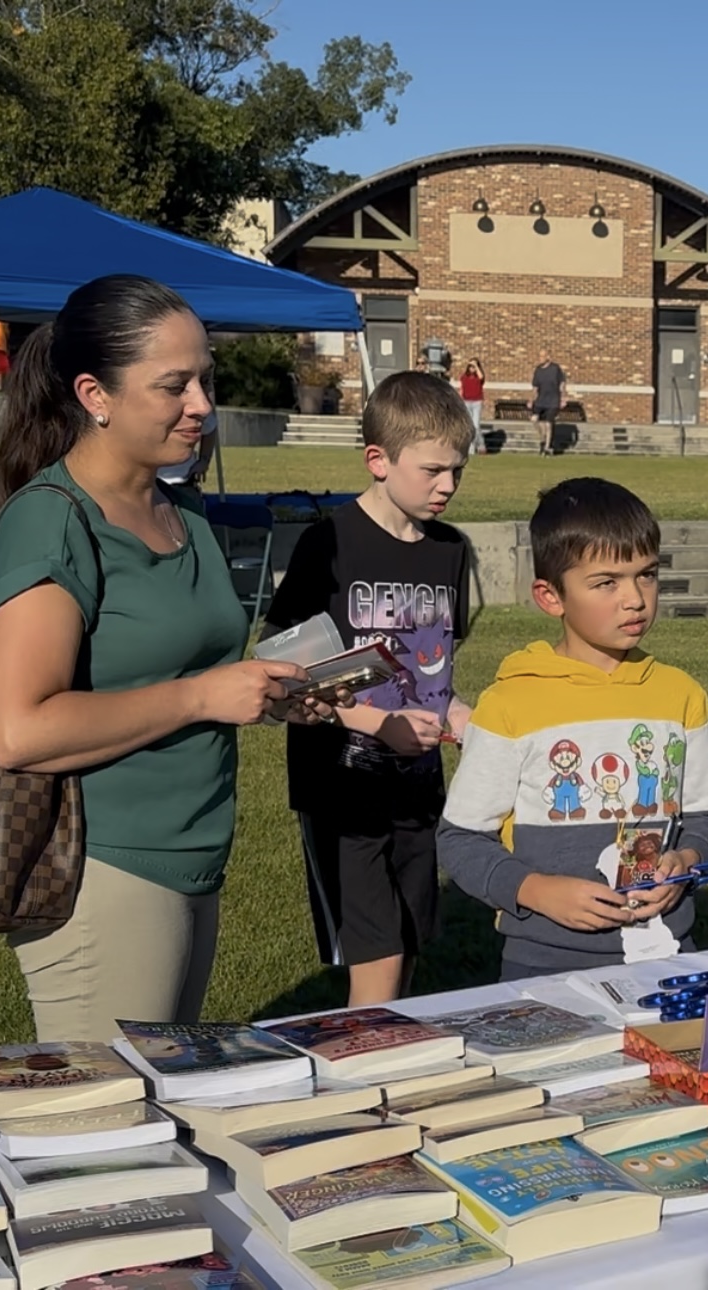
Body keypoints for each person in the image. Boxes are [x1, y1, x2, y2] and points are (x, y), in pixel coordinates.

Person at [0, 274, 323, 1042]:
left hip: (195, 857)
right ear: (95, 395)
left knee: (165, 1105)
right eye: (175, 385)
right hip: (103, 868)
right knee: (108, 1130)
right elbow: (18, 731)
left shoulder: (183, 511)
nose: (202, 404)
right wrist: (202, 697)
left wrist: (265, 690)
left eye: (205, 379)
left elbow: (180, 668)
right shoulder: (51, 523)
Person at [437, 478, 708, 979]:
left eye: (647, 575)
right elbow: (460, 839)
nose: (635, 599)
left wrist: (686, 859)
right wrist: (535, 891)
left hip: (669, 956)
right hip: (544, 967)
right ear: (551, 597)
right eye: (606, 583)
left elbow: (705, 817)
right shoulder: (510, 703)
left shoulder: (683, 696)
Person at [263, 372, 475, 1005]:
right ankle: (362, 1088)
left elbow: (435, 674)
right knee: (376, 961)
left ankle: (392, 1077)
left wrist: (461, 715)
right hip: (343, 788)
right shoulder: (327, 544)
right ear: (378, 460)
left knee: (407, 946)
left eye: (458, 471)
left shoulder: (450, 551)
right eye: (433, 470)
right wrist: (376, 723)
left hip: (417, 786)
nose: (448, 486)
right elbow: (283, 682)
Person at [530, 351, 567, 456]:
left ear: (548, 357)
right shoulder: (538, 370)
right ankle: (543, 438)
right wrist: (532, 399)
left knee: (548, 423)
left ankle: (547, 447)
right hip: (540, 400)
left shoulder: (555, 369)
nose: (540, 358)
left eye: (542, 356)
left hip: (553, 401)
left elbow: (562, 383)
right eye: (539, 356)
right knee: (534, 420)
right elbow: (535, 387)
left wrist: (563, 398)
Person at [458, 359, 487, 455]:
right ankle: (474, 446)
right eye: (470, 366)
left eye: (474, 366)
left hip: (476, 402)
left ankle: (479, 445)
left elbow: (481, 377)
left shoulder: (478, 377)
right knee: (470, 426)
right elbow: (461, 389)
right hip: (466, 402)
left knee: (476, 425)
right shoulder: (464, 377)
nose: (472, 368)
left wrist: (476, 366)